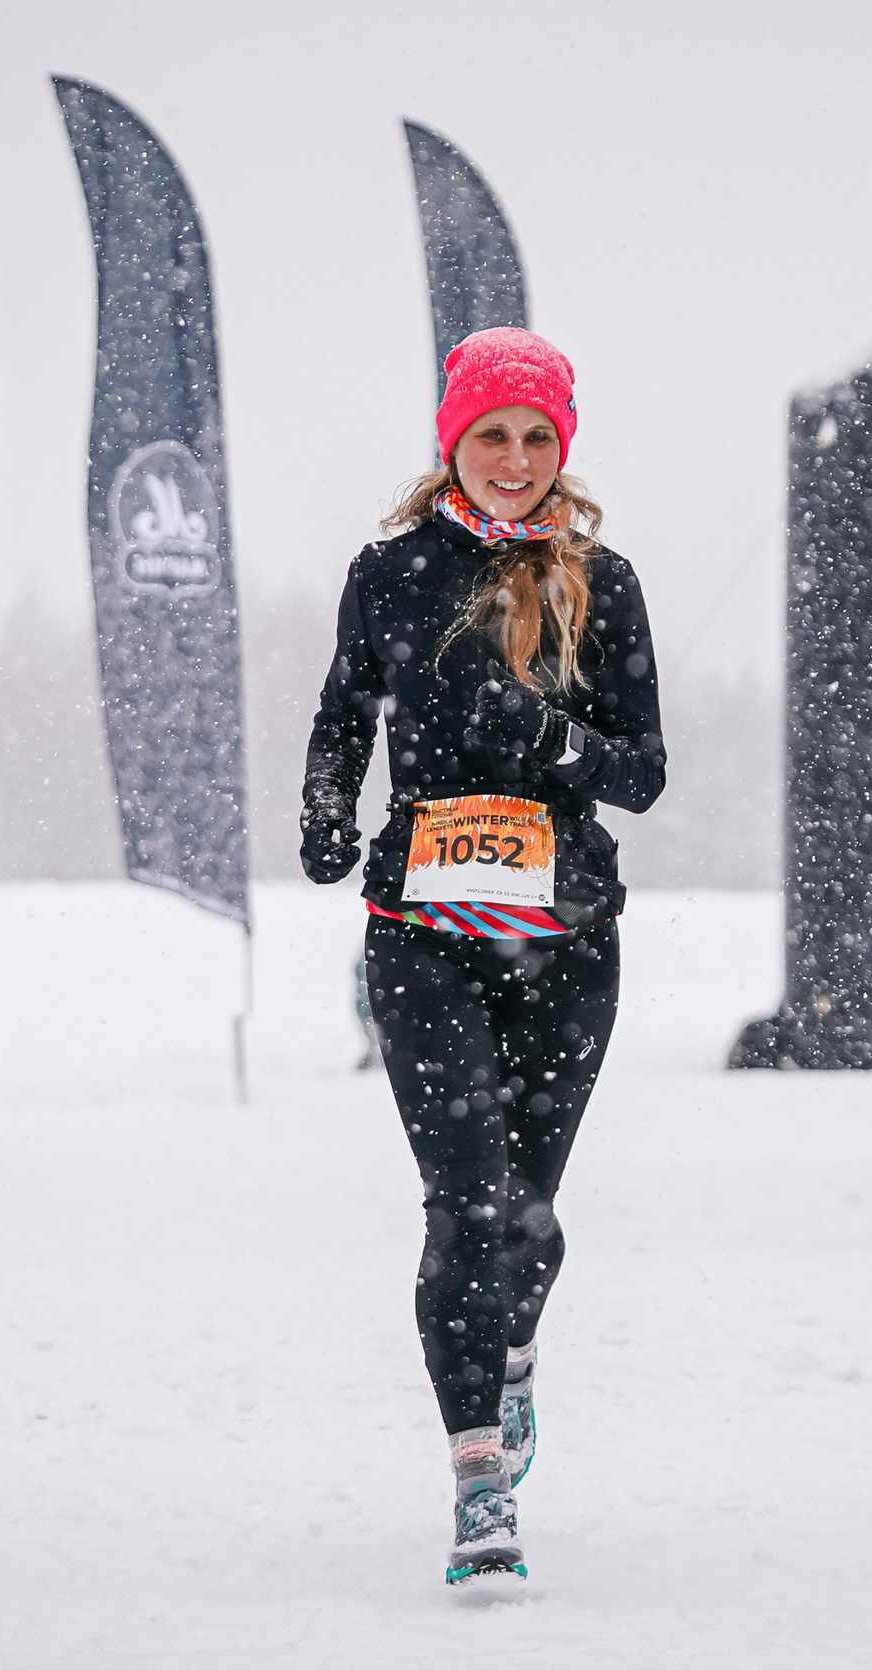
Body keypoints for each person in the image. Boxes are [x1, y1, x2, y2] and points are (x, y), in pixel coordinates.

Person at [300, 327, 665, 1587]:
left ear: (563, 448)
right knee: (465, 1206)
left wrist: (548, 737)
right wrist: (323, 806)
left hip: (564, 937)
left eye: (537, 438)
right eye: (491, 434)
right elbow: (345, 708)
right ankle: (477, 1484)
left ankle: (509, 1363)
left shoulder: (600, 582)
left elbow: (643, 773)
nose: (513, 460)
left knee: (530, 1223)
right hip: (424, 930)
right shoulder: (391, 571)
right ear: (453, 438)